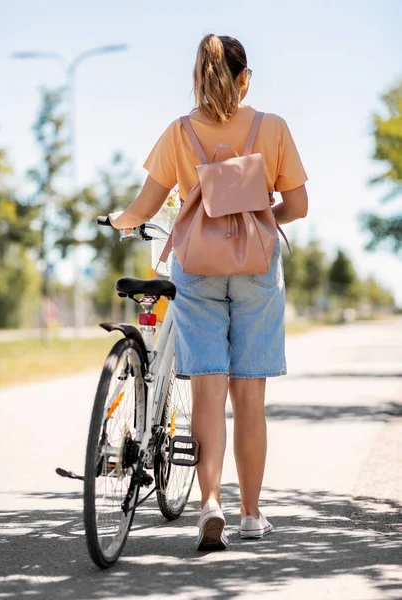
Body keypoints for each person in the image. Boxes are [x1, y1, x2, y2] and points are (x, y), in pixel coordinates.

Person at [109, 34, 308, 551]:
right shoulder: (273, 128)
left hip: (197, 267)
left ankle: (210, 503)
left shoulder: (179, 133)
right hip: (257, 269)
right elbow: (299, 205)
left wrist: (118, 220)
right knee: (250, 395)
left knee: (207, 389)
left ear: (198, 78)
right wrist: (259, 216)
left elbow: (144, 209)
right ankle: (251, 515)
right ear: (246, 79)